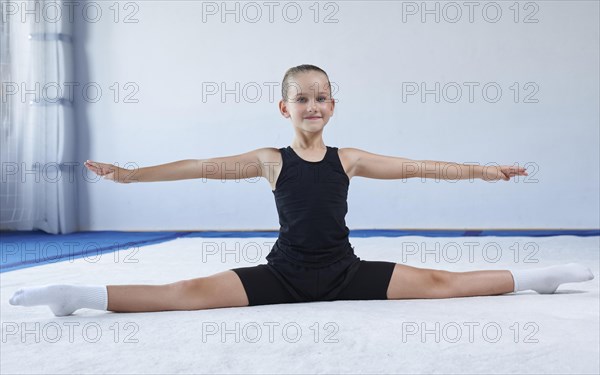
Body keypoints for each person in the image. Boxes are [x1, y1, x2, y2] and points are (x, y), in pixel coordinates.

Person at [9, 64, 594, 316]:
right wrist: (134, 175)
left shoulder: (350, 158)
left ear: (332, 105)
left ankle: (539, 278)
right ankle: (80, 295)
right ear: (285, 106)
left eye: (322, 97)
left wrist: (480, 171)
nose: (313, 106)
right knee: (184, 290)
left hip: (343, 269)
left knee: (442, 283)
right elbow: (200, 165)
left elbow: (417, 166)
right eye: (302, 98)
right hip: (285, 272)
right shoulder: (271, 160)